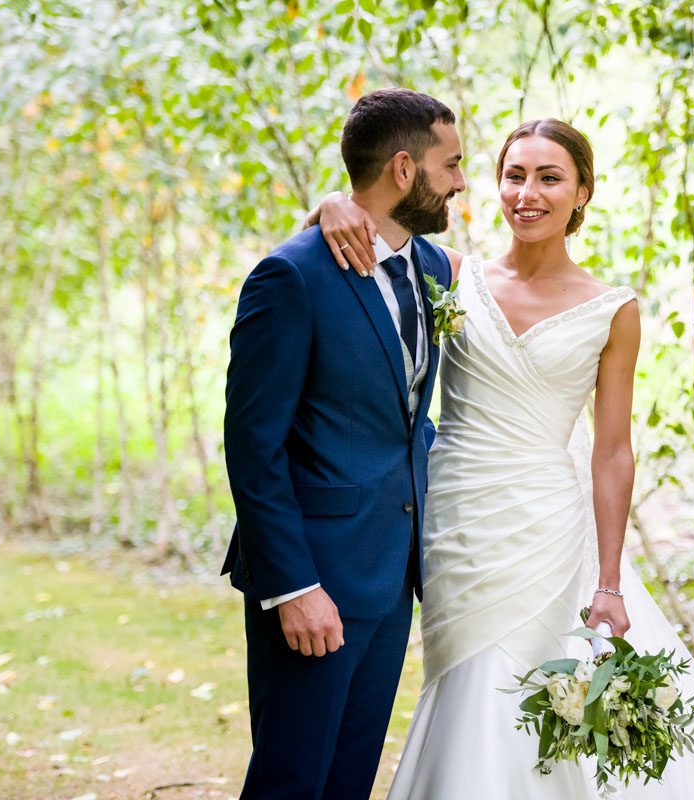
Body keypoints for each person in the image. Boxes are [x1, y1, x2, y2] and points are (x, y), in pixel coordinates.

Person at [317, 118, 694, 798]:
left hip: (545, 525)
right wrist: (333, 204)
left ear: (582, 192)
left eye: (549, 178)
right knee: (464, 680)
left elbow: (612, 452)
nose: (528, 193)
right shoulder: (450, 274)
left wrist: (608, 582)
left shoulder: (612, 310)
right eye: (515, 175)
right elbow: (367, 235)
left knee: (533, 689)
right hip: (455, 523)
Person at [221, 87, 465, 799]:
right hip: (314, 582)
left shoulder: (434, 270)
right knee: (291, 780)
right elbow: (251, 444)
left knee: (348, 781)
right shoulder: (290, 277)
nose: (459, 181)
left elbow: (407, 412)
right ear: (402, 168)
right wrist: (293, 587)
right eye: (450, 164)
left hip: (391, 579)